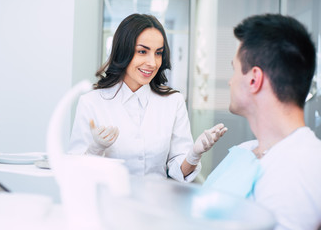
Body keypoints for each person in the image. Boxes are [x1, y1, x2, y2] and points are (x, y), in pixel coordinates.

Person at [69, 13, 227, 182]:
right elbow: (76, 173)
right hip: (109, 204)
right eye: (142, 51)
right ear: (123, 52)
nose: (152, 63)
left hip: (156, 204)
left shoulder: (174, 102)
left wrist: (194, 155)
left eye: (158, 53)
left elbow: (177, 169)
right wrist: (95, 149)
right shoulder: (91, 102)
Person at [202, 14, 321, 230]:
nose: (230, 81)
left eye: (234, 69)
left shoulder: (301, 170)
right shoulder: (245, 151)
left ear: (254, 79)